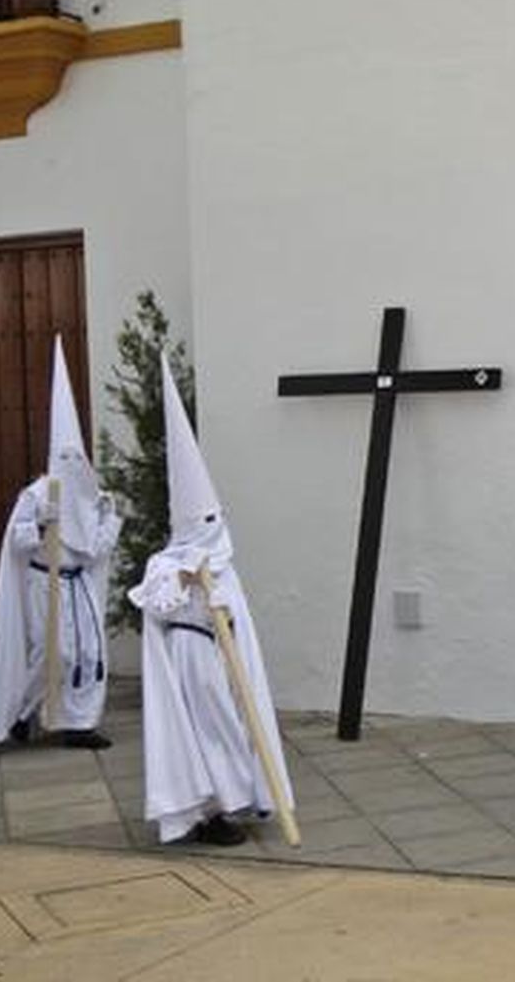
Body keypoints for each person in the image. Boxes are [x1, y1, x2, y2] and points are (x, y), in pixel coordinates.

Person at [131, 354, 293, 845]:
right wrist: (183, 577)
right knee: (208, 730)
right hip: (192, 653)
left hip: (226, 654)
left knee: (235, 724)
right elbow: (153, 603)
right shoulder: (166, 561)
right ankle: (209, 810)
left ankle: (242, 799)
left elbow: (235, 610)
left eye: (214, 519)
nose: (212, 530)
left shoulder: (225, 562)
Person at [0, 337, 120, 750]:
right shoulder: (36, 494)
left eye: (76, 457)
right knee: (54, 654)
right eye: (64, 458)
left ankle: (80, 724)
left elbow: (97, 549)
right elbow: (16, 542)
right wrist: (39, 522)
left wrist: (110, 518)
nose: (71, 466)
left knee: (88, 653)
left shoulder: (89, 496)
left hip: (77, 583)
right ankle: (21, 712)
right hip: (43, 582)